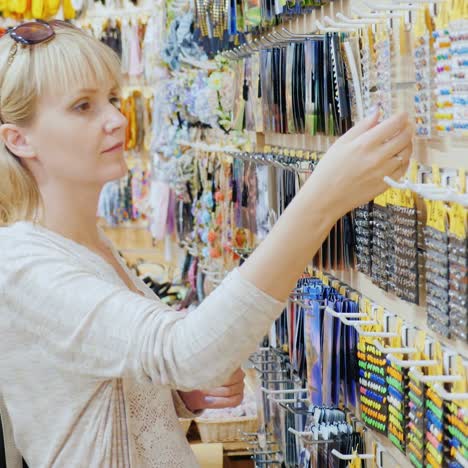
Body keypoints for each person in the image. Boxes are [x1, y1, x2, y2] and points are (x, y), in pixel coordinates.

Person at [0, 20, 413, 468]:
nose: (117, 120)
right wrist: (321, 199)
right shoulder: (22, 265)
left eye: (113, 100)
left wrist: (178, 394)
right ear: (18, 140)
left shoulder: (88, 244)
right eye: (83, 106)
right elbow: (186, 351)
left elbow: (97, 390)